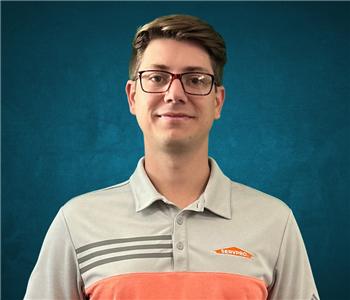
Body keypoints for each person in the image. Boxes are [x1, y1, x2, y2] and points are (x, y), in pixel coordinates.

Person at [24, 14, 319, 300]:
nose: (175, 93)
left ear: (218, 101)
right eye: (156, 77)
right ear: (132, 97)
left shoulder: (275, 222)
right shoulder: (76, 222)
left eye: (195, 79)